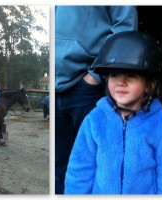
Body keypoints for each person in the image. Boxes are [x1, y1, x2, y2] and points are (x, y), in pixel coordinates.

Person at [64, 31, 162, 194]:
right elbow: (80, 168)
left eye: (131, 75)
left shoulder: (161, 123)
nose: (120, 82)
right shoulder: (95, 120)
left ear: (150, 85)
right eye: (114, 75)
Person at [54, 6, 138, 194]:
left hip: (89, 86)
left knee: (99, 167)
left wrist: (96, 76)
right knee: (58, 169)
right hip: (56, 86)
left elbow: (125, 26)